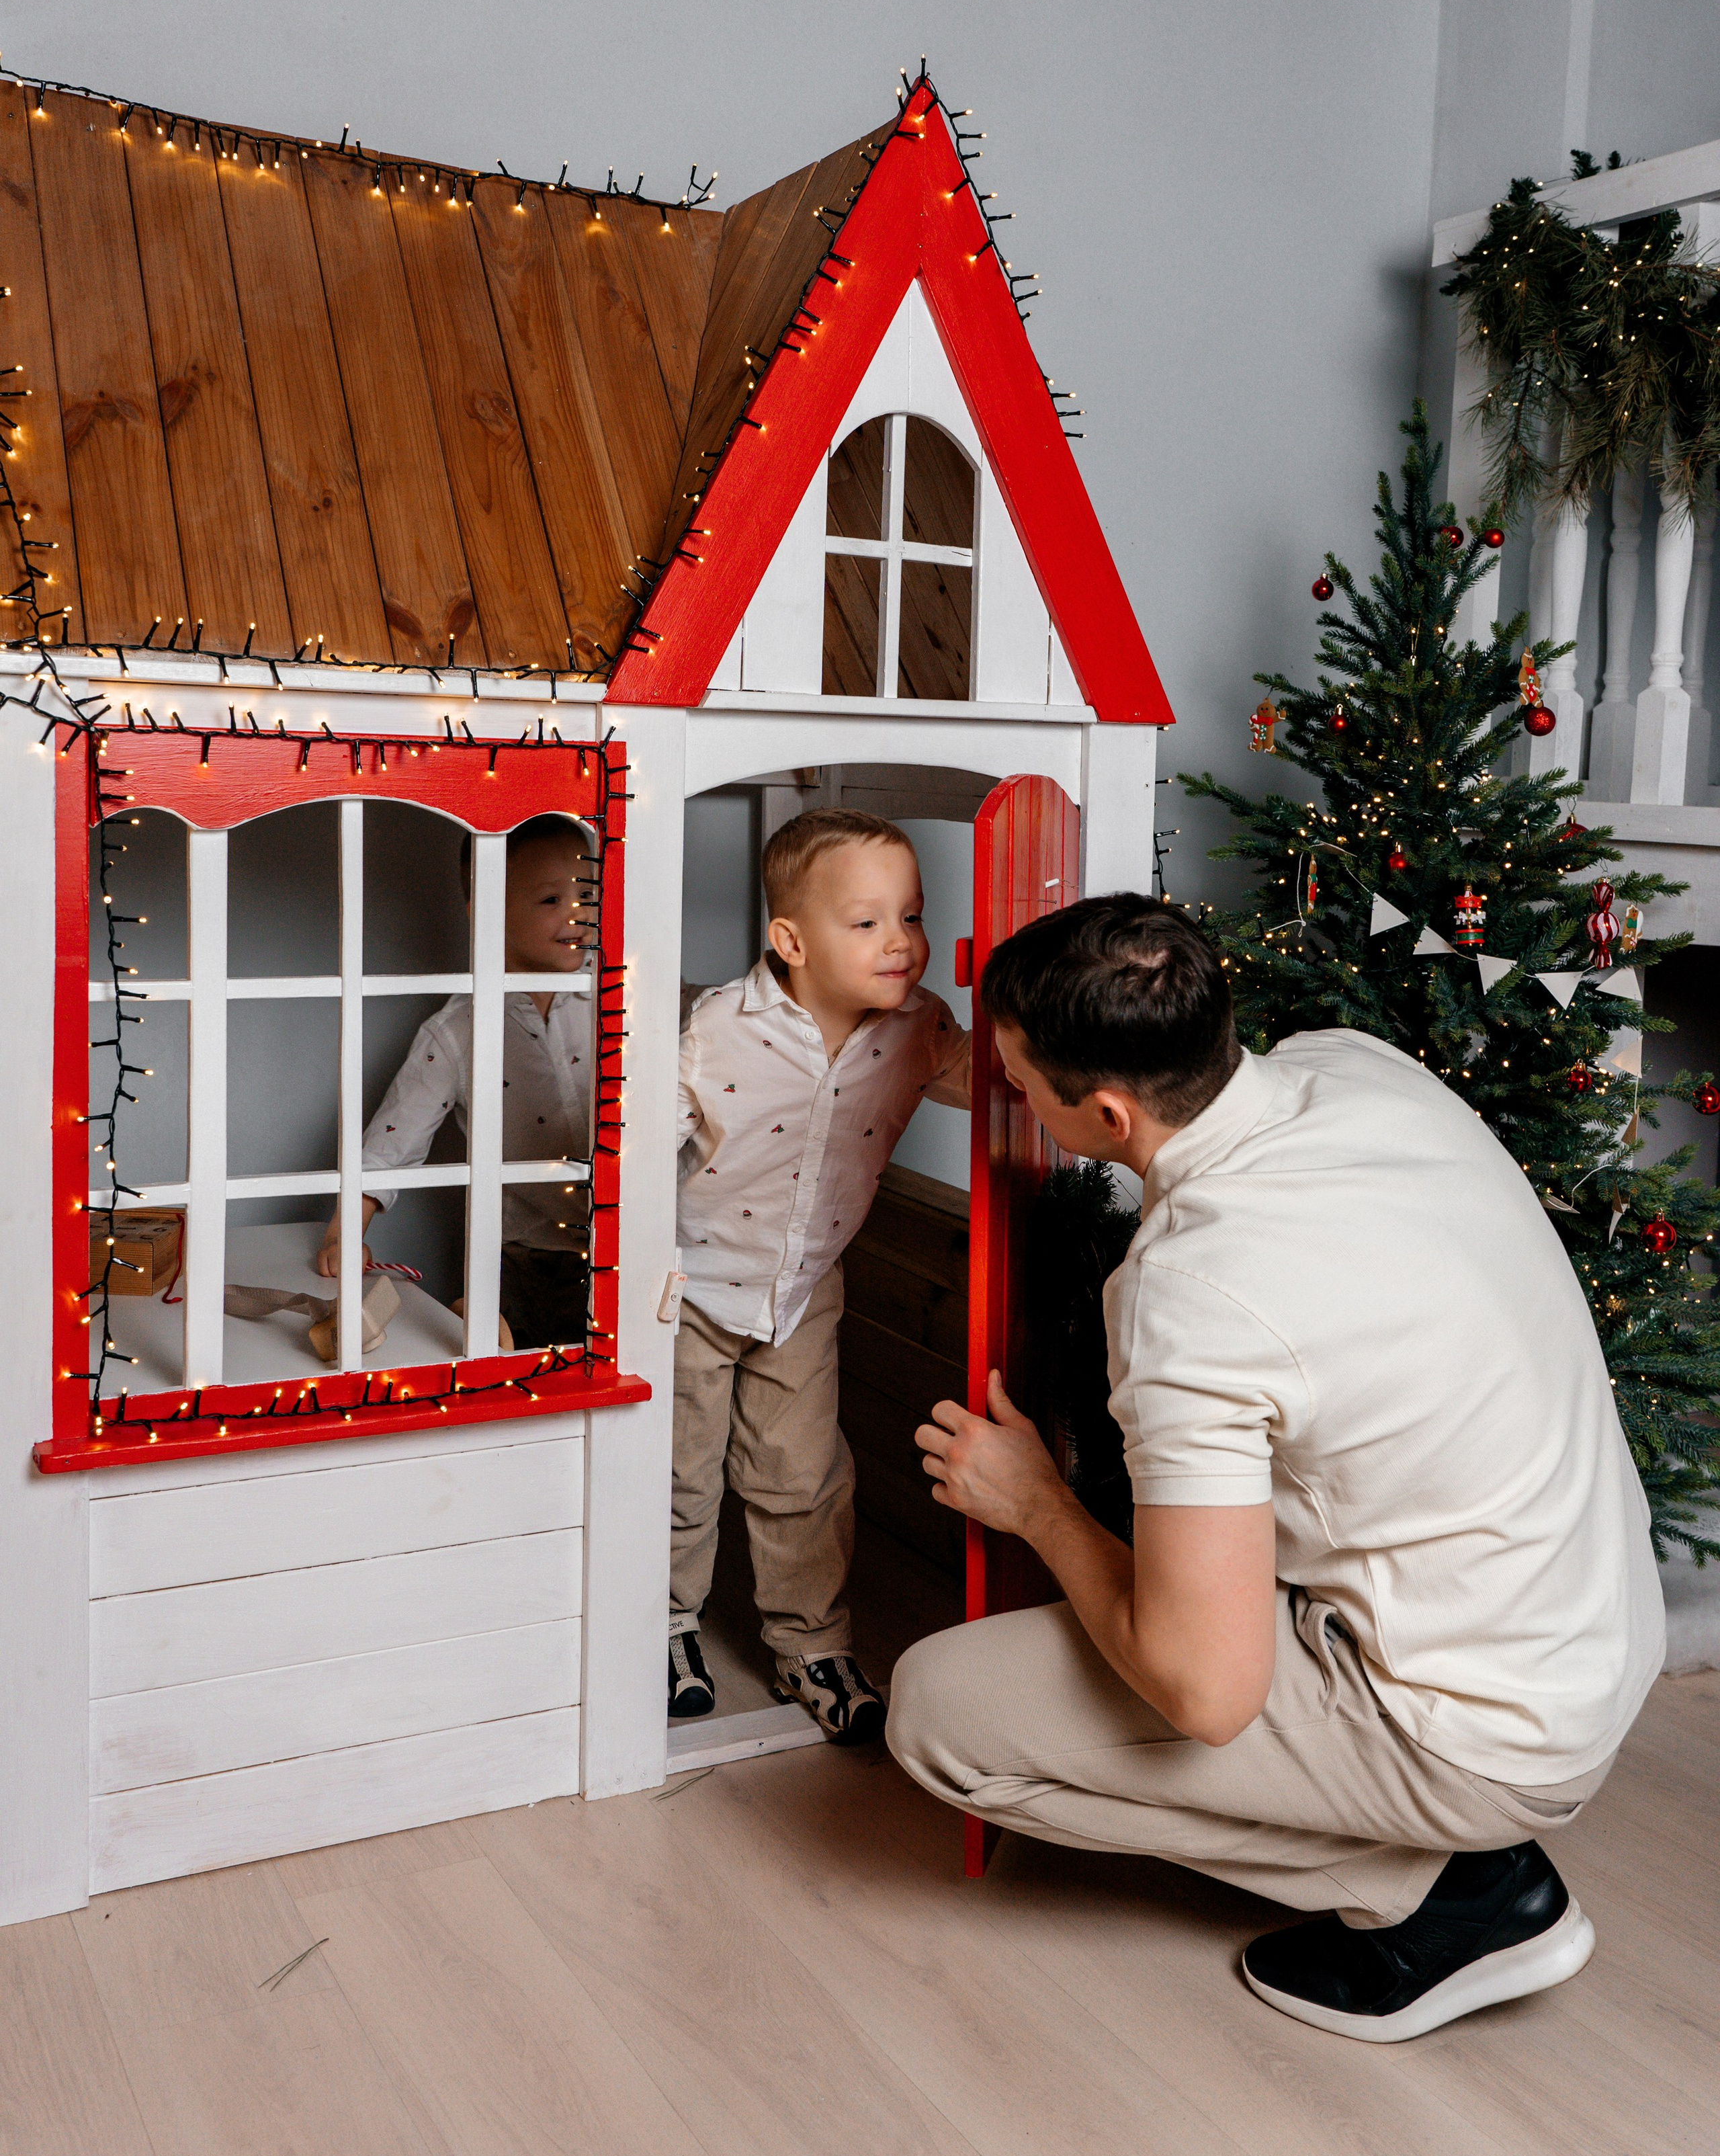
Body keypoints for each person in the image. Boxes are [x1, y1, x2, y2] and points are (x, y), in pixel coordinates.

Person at [888, 895, 1665, 2043]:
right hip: (1591, 1630)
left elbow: (1208, 1694)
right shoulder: (1351, 1067)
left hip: (1483, 1730)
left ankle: (1455, 1897)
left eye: (1018, 1081)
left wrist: (1039, 1505)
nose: (1004, 1089)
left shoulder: (1192, 1294)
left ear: (1105, 1114)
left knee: (939, 1713)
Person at [670, 809, 970, 1743]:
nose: (901, 942)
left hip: (802, 1288)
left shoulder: (922, 1027)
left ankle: (811, 1644)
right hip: (690, 1287)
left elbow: (1005, 1083)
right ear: (792, 942)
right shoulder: (719, 1027)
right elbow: (635, 1148)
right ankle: (664, 1624)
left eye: (912, 917)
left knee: (803, 1474)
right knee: (678, 1474)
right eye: (868, 922)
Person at [317, 814, 595, 1352]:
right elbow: (391, 1144)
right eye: (551, 900)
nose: (579, 914)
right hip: (525, 1262)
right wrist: (342, 1235)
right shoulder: (458, 1030)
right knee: (519, 1377)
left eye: (587, 894)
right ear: (486, 908)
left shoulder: (621, 999)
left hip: (627, 1245)